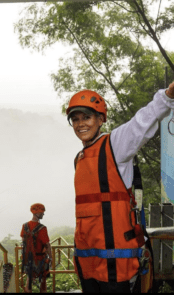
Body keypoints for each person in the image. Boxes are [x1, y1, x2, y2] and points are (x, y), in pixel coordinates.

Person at [66, 81, 174, 293]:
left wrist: (168, 95)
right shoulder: (79, 158)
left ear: (100, 119)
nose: (80, 124)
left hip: (116, 265)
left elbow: (142, 122)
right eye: (75, 120)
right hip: (88, 262)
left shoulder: (115, 144)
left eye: (86, 117)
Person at [20, 203, 52, 293]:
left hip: (27, 259)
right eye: (42, 212)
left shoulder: (25, 226)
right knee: (43, 283)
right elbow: (47, 245)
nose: (43, 214)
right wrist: (51, 257)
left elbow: (23, 241)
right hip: (40, 259)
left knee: (29, 281)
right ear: (36, 213)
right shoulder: (42, 228)